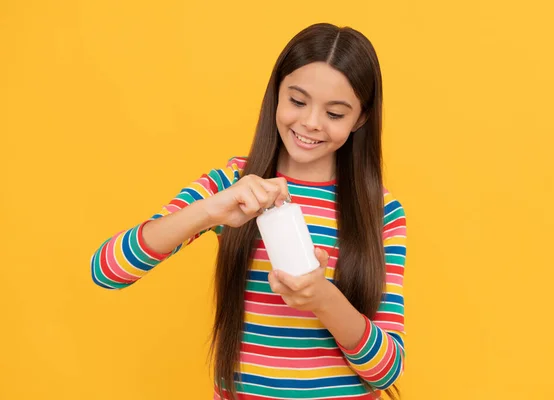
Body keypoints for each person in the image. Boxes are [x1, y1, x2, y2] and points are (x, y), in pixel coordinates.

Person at [90, 22, 407, 400]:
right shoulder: (233, 185)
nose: (310, 123)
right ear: (276, 94)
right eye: (297, 101)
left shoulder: (380, 211)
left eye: (335, 114)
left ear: (361, 118)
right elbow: (107, 271)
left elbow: (387, 371)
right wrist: (211, 212)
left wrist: (322, 297)